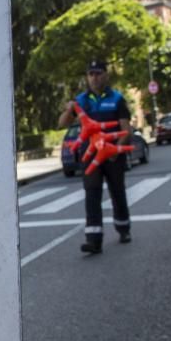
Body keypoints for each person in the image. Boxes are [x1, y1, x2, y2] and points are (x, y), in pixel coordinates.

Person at [58, 59, 132, 254]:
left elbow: (126, 129)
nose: (94, 77)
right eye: (91, 74)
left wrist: (117, 150)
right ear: (87, 77)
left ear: (106, 75)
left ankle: (123, 228)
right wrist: (69, 109)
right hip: (90, 156)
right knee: (92, 195)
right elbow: (62, 124)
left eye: (98, 73)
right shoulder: (81, 100)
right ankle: (93, 239)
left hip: (112, 154)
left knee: (117, 192)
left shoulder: (117, 99)